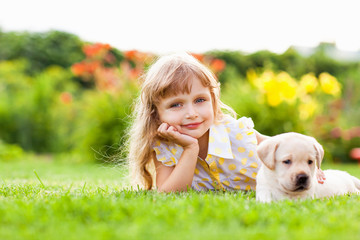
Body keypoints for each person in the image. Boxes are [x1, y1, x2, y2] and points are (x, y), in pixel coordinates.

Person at [127, 52, 324, 192]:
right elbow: (167, 194)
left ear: (213, 99)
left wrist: (312, 168)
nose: (192, 113)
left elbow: (285, 148)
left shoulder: (236, 132)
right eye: (176, 105)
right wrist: (190, 149)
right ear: (156, 114)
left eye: (200, 100)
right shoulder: (165, 147)